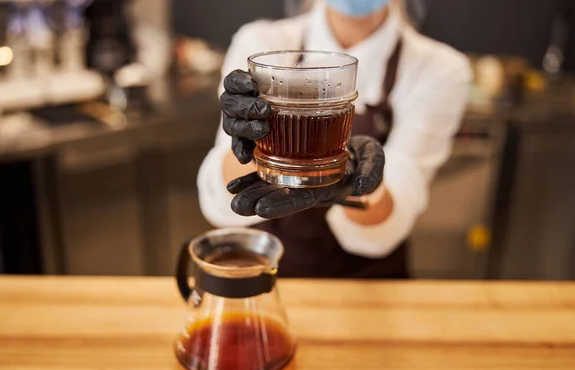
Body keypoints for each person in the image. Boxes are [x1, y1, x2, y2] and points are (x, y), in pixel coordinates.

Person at [197, 0, 472, 278]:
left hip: (368, 285)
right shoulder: (261, 43)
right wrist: (251, 146)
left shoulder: (440, 68)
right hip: (266, 269)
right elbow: (221, 199)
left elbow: (396, 208)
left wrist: (361, 185)